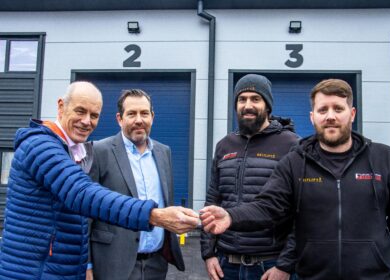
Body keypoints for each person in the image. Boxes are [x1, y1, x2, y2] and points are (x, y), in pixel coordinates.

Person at [201, 79, 390, 280]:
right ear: (313, 117)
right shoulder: (296, 161)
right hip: (303, 274)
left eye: (338, 109)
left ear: (352, 114)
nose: (330, 116)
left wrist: (284, 264)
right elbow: (268, 206)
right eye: (323, 110)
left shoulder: (384, 159)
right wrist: (228, 220)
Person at [0, 81, 199, 280]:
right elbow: (83, 194)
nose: (86, 121)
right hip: (37, 270)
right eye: (80, 111)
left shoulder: (72, 151)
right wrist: (154, 215)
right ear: (61, 106)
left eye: (94, 115)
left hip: (57, 268)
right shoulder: (41, 146)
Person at [200, 74, 299, 280]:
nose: (248, 105)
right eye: (242, 99)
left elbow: (301, 210)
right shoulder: (224, 145)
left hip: (270, 264)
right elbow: (213, 200)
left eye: (255, 99)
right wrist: (208, 254)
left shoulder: (291, 145)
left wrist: (285, 265)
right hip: (227, 264)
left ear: (267, 105)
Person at [86, 89, 186, 280]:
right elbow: (85, 214)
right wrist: (87, 265)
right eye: (131, 114)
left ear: (152, 117)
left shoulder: (164, 152)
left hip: (156, 265)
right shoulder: (99, 151)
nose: (139, 120)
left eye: (144, 113)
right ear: (119, 118)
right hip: (112, 265)